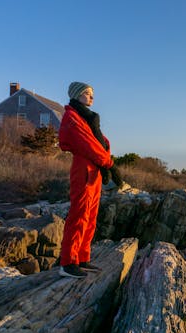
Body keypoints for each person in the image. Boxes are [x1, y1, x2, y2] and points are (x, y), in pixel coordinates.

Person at [58, 82, 122, 278]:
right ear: (77, 95)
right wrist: (109, 164)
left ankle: (82, 257)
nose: (91, 97)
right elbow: (89, 145)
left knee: (91, 216)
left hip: (94, 171)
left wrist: (105, 162)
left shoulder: (88, 118)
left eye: (92, 93)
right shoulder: (72, 117)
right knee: (79, 215)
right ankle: (68, 263)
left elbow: (102, 143)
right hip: (83, 169)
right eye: (87, 93)